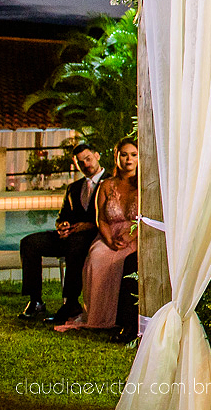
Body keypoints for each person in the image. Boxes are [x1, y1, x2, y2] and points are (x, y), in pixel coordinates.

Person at [56, 138, 139, 331]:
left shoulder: (145, 186)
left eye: (133, 155)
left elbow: (147, 216)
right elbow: (100, 218)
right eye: (124, 155)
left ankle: (123, 315)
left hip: (135, 234)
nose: (128, 160)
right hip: (109, 234)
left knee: (125, 261)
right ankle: (98, 315)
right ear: (116, 157)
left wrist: (131, 236)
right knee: (97, 257)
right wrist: (109, 239)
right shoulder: (106, 185)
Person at [19, 143, 106, 321]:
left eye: (88, 159)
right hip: (70, 237)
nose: (86, 165)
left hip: (96, 237)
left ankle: (70, 303)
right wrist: (62, 225)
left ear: (97, 155)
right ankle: (35, 301)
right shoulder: (74, 188)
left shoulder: (112, 181)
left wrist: (88, 225)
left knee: (75, 246)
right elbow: (62, 216)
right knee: (29, 243)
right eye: (81, 163)